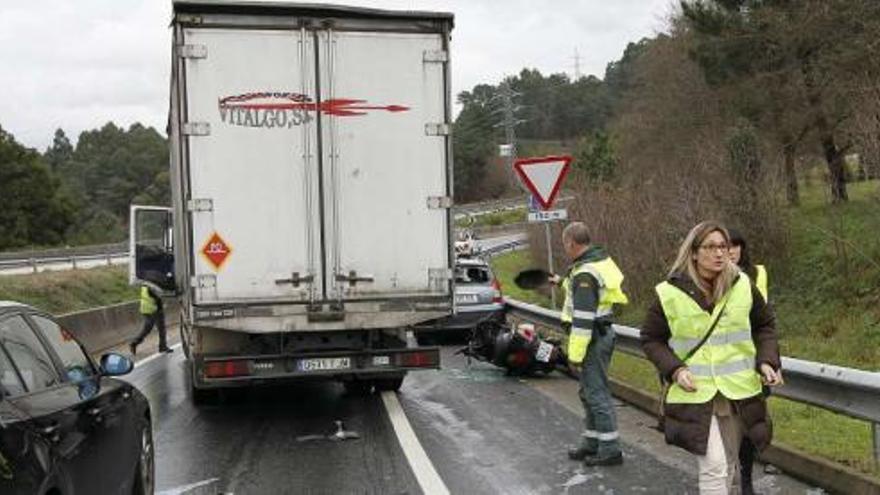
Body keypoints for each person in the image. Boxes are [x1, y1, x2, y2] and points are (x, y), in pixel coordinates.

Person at [641, 221, 782, 494]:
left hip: (738, 392)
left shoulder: (742, 285)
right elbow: (651, 338)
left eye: (723, 247)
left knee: (728, 464)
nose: (719, 253)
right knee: (714, 465)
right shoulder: (669, 293)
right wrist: (676, 370)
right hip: (695, 393)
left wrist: (767, 360)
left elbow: (765, 326)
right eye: (710, 247)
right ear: (694, 252)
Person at [550, 222, 629, 466]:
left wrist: (574, 355)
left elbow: (583, 320)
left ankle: (610, 449)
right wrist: (561, 280)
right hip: (601, 334)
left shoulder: (585, 273)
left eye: (565, 245)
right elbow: (584, 290)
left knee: (596, 394)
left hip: (592, 338)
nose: (565, 249)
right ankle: (592, 441)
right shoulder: (594, 263)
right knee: (589, 393)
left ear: (571, 243)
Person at [728, 229, 770, 495]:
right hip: (723, 364)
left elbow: (763, 317)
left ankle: (746, 478)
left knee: (749, 425)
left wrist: (766, 360)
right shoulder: (707, 279)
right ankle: (726, 475)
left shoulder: (755, 275)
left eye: (735, 246)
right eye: (725, 246)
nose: (730, 251)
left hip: (751, 360)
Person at [131, 284, 172, 356]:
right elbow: (158, 298)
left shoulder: (144, 285)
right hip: (154, 310)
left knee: (147, 329)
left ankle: (134, 342)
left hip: (145, 309)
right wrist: (162, 307)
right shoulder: (153, 287)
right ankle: (163, 347)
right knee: (162, 329)